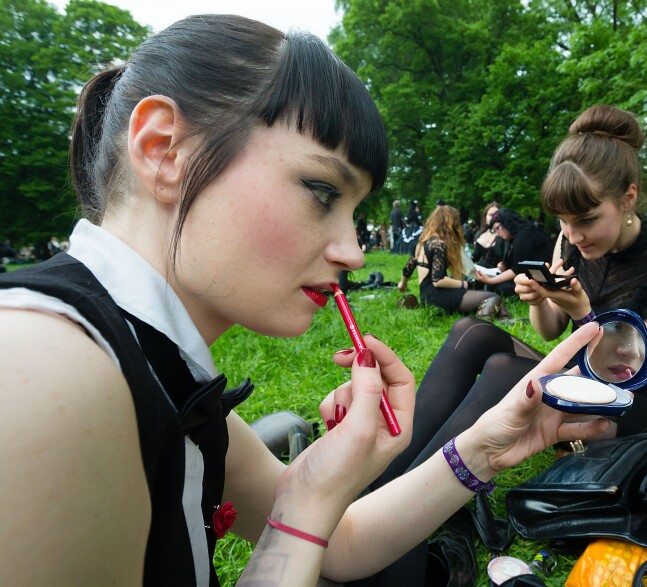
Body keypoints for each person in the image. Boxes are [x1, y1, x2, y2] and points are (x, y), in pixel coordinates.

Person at [0, 16, 609, 586]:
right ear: (165, 152)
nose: (353, 252)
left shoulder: (152, 360)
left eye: (357, 211)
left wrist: (485, 447)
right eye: (321, 191)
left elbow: (339, 544)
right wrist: (306, 505)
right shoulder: (48, 372)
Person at [385, 105, 647, 474]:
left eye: (586, 220)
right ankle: (386, 474)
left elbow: (631, 373)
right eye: (563, 221)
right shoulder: (570, 243)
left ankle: (414, 492)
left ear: (628, 198)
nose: (573, 234)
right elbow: (550, 329)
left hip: (633, 402)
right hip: (574, 379)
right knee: (469, 332)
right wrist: (539, 299)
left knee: (504, 370)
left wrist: (584, 314)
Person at [397, 205, 504, 317]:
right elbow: (438, 280)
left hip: (426, 299)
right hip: (439, 298)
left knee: (484, 299)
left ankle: (502, 318)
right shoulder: (439, 244)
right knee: (492, 297)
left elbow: (407, 269)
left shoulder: (421, 243)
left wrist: (402, 285)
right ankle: (493, 319)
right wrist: (464, 284)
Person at [474, 207, 553, 296]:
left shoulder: (524, 236)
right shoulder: (518, 236)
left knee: (502, 287)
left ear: (507, 223)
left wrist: (491, 281)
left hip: (542, 277)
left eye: (497, 228)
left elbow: (518, 269)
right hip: (534, 275)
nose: (497, 233)